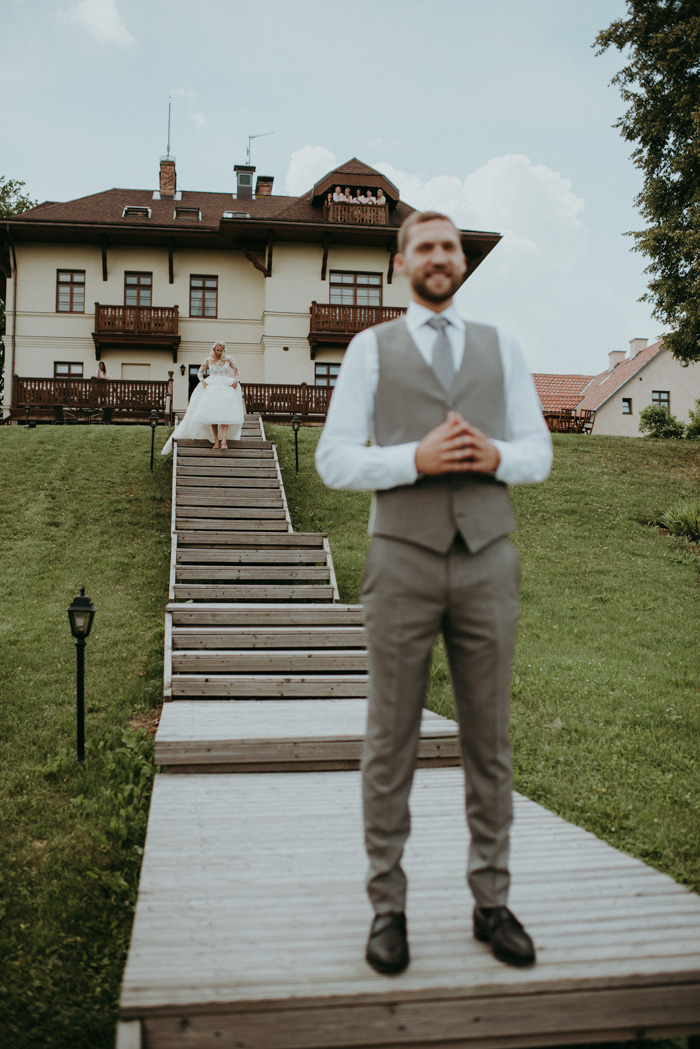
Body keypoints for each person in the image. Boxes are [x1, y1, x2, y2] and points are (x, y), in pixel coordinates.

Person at [315, 211, 552, 977]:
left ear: (461, 261)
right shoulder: (368, 350)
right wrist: (412, 457)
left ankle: (493, 899)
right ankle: (388, 905)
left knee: (491, 738)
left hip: (488, 558)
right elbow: (335, 461)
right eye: (425, 246)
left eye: (450, 245)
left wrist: (495, 455)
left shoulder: (502, 346)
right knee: (391, 738)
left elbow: (539, 454)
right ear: (401, 264)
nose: (440, 256)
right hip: (402, 560)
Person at [162, 340, 244, 455]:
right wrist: (204, 382)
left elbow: (237, 371)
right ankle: (216, 441)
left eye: (221, 350)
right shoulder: (208, 360)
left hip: (225, 387)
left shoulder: (228, 359)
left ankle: (224, 441)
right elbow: (200, 372)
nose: (220, 353)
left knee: (226, 414)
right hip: (212, 387)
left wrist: (236, 381)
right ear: (214, 350)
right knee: (213, 414)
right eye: (218, 350)